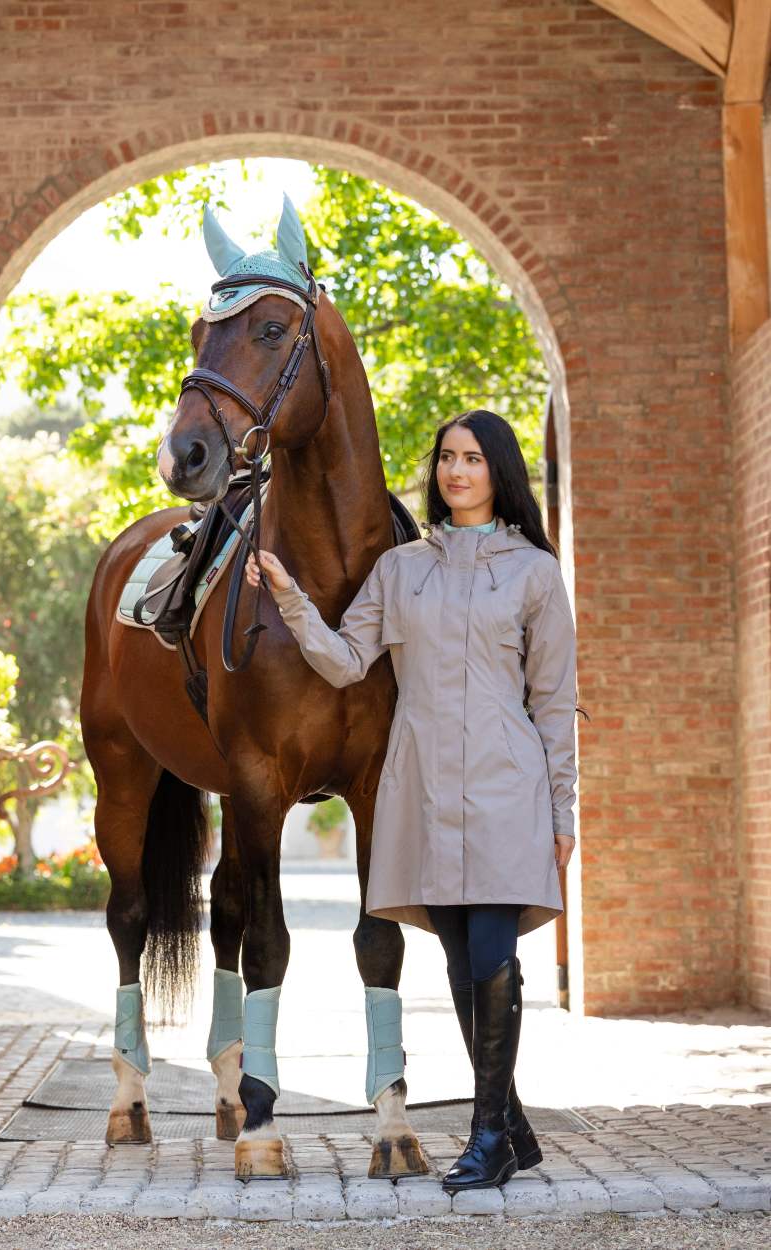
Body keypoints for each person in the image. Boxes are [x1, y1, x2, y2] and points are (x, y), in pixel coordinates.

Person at [245, 409, 578, 1192]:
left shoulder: (534, 572)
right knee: (462, 966)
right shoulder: (401, 570)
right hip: (423, 785)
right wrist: (293, 599)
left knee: (496, 957)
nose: (456, 472)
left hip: (506, 782)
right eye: (446, 459)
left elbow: (555, 701)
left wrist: (562, 813)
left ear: (501, 471)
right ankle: (515, 1124)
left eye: (472, 459)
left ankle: (488, 1134)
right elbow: (346, 660)